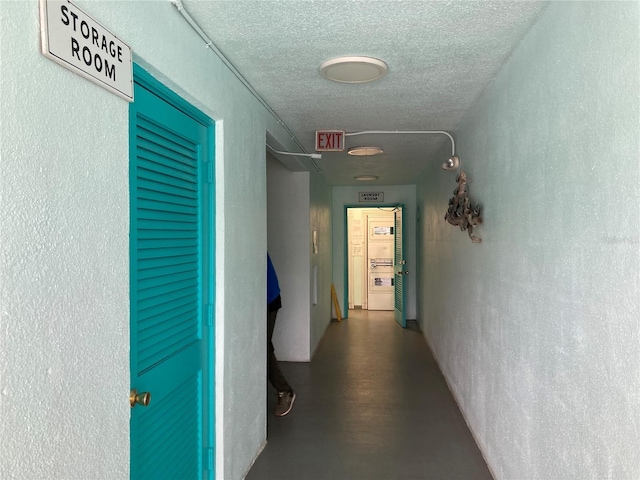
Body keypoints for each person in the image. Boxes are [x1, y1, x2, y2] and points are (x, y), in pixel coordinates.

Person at [267, 253, 296, 417]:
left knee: (262, 346)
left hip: (268, 299)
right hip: (259, 298)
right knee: (263, 346)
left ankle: (284, 391)